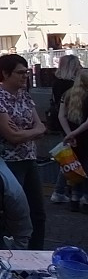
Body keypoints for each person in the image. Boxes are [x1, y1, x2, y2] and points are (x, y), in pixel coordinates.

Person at [0, 54, 47, 250]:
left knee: (37, 212)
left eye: (26, 72)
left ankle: (36, 254)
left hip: (29, 158)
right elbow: (12, 136)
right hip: (7, 163)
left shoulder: (25, 96)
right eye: (20, 73)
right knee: (11, 211)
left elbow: (41, 127)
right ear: (5, 73)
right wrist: (32, 132)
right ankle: (7, 254)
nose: (25, 76)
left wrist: (28, 132)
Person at [50, 54, 82, 204]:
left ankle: (63, 191)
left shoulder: (56, 83)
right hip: (75, 123)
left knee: (69, 158)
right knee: (75, 159)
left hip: (62, 123)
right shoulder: (73, 85)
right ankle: (66, 191)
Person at [58, 69, 88, 212]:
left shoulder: (67, 95)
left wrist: (69, 134)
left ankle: (74, 199)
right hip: (85, 136)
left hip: (72, 138)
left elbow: (61, 116)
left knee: (75, 168)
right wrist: (76, 133)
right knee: (86, 168)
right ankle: (86, 199)